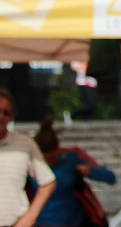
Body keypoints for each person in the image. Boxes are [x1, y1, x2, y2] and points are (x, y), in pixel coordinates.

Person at [31, 117, 116, 227]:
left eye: (52, 158)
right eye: (44, 159)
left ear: (58, 149)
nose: (48, 163)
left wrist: (90, 171)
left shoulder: (71, 158)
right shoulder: (29, 162)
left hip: (74, 222)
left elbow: (111, 177)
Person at [0, 87, 55, 227]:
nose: (1, 116)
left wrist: (30, 217)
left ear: (12, 116)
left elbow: (48, 182)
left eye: (6, 112)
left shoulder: (25, 143)